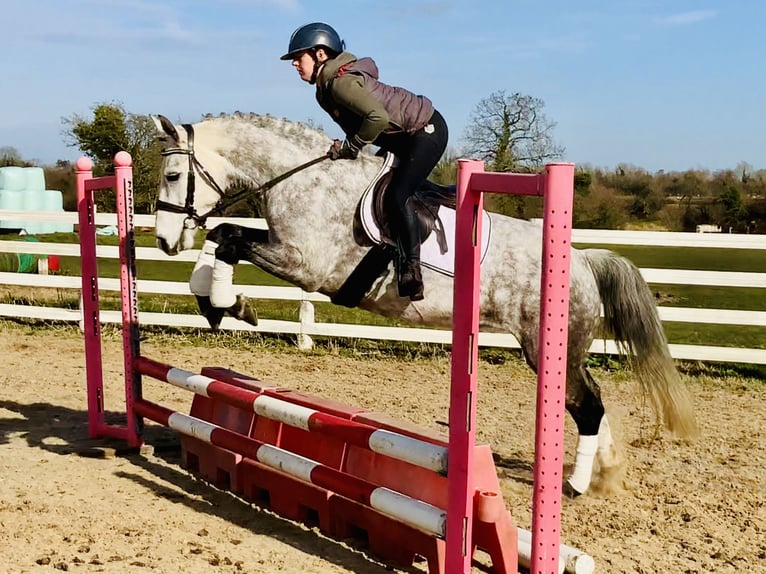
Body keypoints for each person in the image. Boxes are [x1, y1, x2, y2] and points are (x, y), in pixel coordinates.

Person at [280, 22, 448, 301]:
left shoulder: (340, 83)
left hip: (425, 131)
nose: (295, 64)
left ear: (320, 54)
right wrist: (345, 146)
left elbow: (377, 119)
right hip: (403, 137)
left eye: (299, 57)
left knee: (397, 196)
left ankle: (411, 272)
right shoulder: (326, 87)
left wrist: (353, 146)